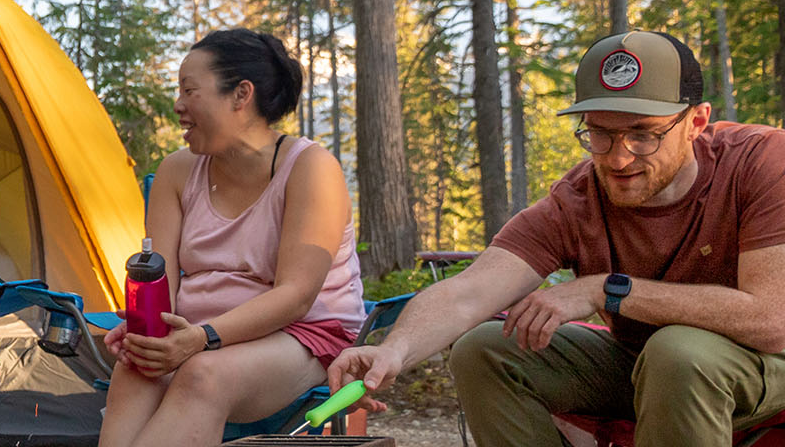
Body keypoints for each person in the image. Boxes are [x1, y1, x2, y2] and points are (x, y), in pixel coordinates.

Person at [329, 31, 785, 447]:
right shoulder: (578, 199)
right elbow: (468, 293)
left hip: (762, 364)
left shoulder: (760, 164)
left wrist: (605, 289)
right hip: (641, 364)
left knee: (679, 354)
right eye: (600, 134)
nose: (618, 158)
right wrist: (391, 351)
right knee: (484, 349)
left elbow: (772, 319)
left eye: (642, 134)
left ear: (696, 121)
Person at [98, 28, 365, 447]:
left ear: (241, 95)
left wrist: (201, 339)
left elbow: (296, 294)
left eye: (190, 91)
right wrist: (148, 331)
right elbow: (160, 285)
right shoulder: (178, 171)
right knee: (137, 365)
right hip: (197, 334)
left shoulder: (310, 168)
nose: (178, 106)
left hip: (305, 334)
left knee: (204, 375)